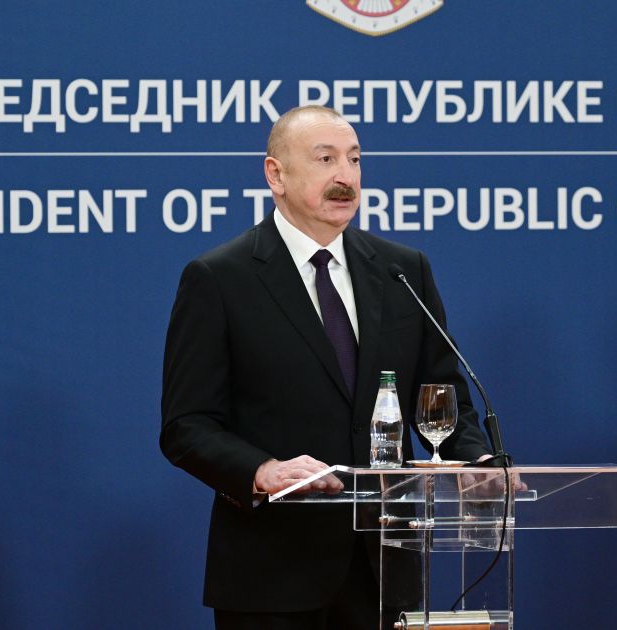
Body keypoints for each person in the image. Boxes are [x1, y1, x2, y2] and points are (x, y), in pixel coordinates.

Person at [160, 105, 492, 629]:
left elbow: (442, 397)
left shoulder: (403, 271)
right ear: (276, 175)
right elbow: (187, 426)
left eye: (355, 160)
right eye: (325, 159)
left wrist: (476, 462)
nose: (346, 176)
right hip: (272, 575)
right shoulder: (219, 278)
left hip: (384, 572)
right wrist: (262, 471)